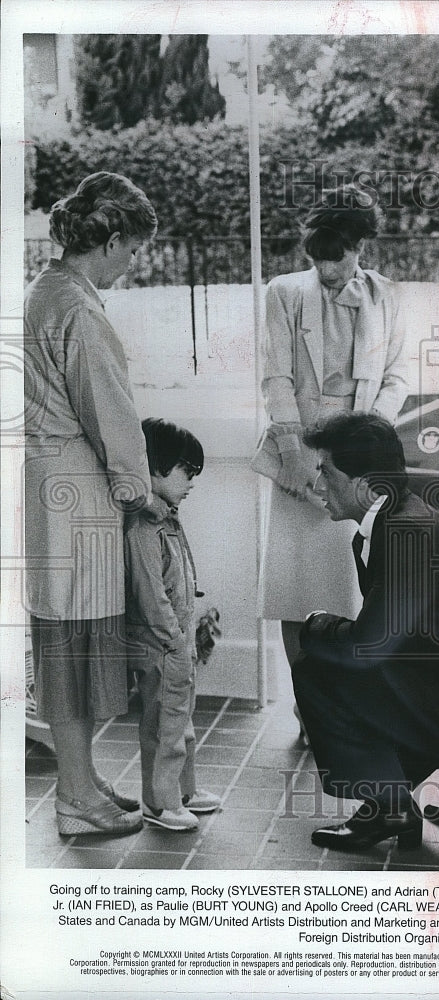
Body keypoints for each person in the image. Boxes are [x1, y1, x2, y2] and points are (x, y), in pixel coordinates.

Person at [291, 412, 439, 852]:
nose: (317, 486)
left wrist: (316, 626)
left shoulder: (403, 531)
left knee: (317, 666)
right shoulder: (392, 519)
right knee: (355, 667)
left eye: (326, 472)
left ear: (365, 486)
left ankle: (393, 807)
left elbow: (368, 650)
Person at [24, 172, 157, 836]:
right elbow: (112, 413)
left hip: (51, 488)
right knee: (71, 647)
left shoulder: (45, 291)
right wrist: (141, 494)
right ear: (106, 240)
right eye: (130, 251)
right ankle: (74, 797)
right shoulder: (77, 309)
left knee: (63, 639)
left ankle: (83, 778)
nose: (131, 266)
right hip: (75, 494)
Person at [257, 184, 408, 735]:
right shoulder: (284, 292)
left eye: (337, 256)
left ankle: (348, 705)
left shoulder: (388, 295)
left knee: (353, 588)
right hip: (298, 454)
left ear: (360, 245)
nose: (326, 269)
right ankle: (309, 709)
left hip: (357, 458)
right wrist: (297, 456)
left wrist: (369, 438)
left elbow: (397, 376)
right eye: (317, 257)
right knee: (295, 588)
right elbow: (275, 375)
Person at [124, 419, 221, 831]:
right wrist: (176, 640)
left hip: (176, 641)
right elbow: (151, 596)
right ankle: (160, 802)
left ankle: (184, 791)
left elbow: (179, 581)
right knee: (164, 726)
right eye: (186, 470)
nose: (192, 481)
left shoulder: (168, 519)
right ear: (156, 466)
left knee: (182, 723)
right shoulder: (144, 527)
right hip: (162, 645)